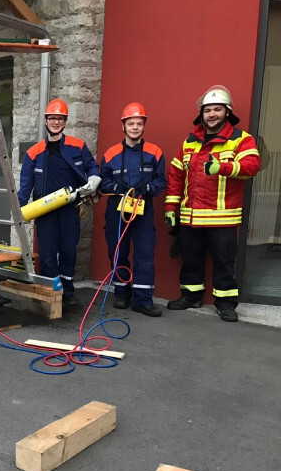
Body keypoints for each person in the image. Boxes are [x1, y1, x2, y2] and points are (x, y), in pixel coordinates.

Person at [164, 85, 261, 322]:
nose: (212, 114)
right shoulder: (189, 142)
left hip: (222, 218)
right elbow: (176, 175)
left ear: (227, 111)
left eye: (217, 109)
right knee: (191, 260)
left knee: (224, 263)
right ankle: (191, 296)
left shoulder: (240, 139)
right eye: (207, 110)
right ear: (201, 114)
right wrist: (171, 208)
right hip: (191, 217)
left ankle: (226, 304)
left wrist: (223, 167)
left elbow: (252, 166)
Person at [18, 98, 101, 307]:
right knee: (47, 254)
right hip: (45, 212)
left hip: (70, 209)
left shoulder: (77, 146)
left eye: (60, 119)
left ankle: (68, 293)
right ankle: (51, 292)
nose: (56, 122)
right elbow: (25, 184)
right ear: (46, 121)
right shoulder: (34, 152)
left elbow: (92, 166)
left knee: (68, 251)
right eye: (52, 118)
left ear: (65, 122)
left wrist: (94, 179)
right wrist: (20, 208)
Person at [99, 102, 167, 317]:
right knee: (117, 251)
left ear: (144, 126)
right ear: (123, 126)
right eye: (131, 123)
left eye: (139, 123)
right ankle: (122, 293)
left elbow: (161, 180)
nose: (135, 127)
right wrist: (115, 188)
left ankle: (143, 300)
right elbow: (102, 180)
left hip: (143, 209)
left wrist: (148, 188)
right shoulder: (111, 153)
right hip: (116, 209)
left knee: (144, 253)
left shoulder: (154, 152)